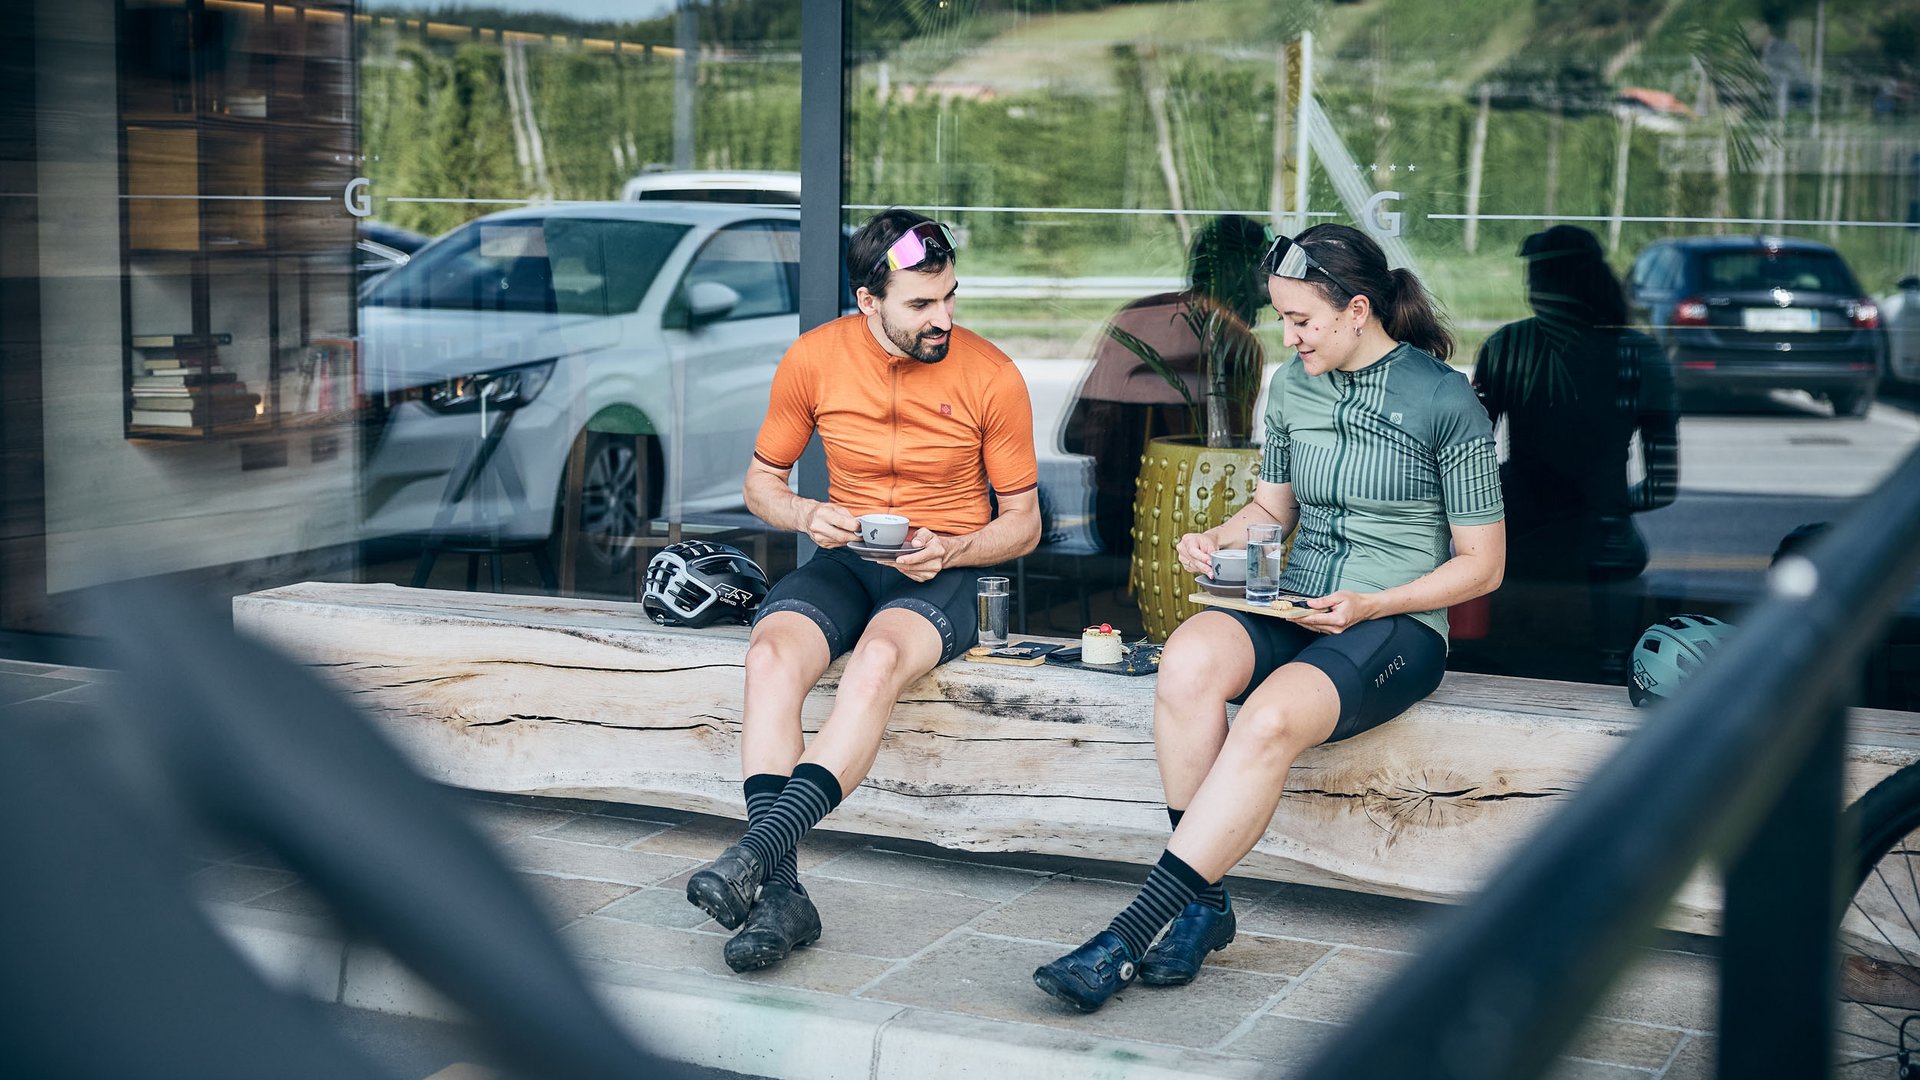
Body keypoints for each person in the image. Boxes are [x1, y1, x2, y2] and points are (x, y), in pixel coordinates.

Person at [1031, 223, 1505, 1012]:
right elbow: (1270, 510)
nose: (1285, 335)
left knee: (1268, 718)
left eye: (1300, 321)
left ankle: (1126, 934)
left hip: (1397, 623)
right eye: (1281, 318)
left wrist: (1376, 602)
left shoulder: (1444, 399)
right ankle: (1204, 906)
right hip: (1300, 600)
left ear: (1358, 310)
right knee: (1187, 660)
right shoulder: (1292, 388)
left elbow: (1482, 565)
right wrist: (1214, 538)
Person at [683, 208, 1041, 973]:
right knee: (771, 655)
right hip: (848, 559)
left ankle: (756, 856)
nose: (943, 317)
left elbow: (1025, 525)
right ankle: (783, 894)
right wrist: (807, 513)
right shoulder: (814, 359)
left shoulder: (992, 374)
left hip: (949, 567)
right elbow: (760, 484)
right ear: (867, 301)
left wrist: (954, 547)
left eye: (949, 297)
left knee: (877, 660)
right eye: (921, 304)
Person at [1472, 224, 1678, 684]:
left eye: (1537, 277)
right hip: (1599, 543)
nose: (1531, 288)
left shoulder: (1509, 346)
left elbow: (1471, 461)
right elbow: (1663, 484)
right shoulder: (1639, 354)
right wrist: (1607, 505)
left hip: (1524, 539)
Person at [1062, 215, 1269, 555]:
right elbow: (1229, 456)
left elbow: (1077, 431)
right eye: (1263, 276)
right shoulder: (1238, 345)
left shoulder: (1139, 314)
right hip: (1190, 518)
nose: (1266, 296)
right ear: (1239, 273)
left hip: (1109, 508)